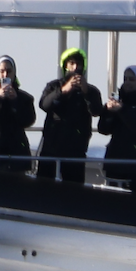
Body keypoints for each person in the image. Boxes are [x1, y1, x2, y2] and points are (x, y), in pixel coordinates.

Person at [37, 48, 104, 184]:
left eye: (78, 64)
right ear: (65, 66)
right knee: (44, 189)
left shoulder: (92, 90)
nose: (75, 67)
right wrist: (63, 91)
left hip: (76, 151)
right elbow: (44, 104)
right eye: (72, 63)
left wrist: (86, 93)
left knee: (74, 191)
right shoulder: (53, 86)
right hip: (51, 149)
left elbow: (96, 111)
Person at [98, 65, 136, 190]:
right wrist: (108, 112)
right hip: (116, 163)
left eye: (132, 79)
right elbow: (103, 129)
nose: (127, 83)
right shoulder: (120, 99)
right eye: (125, 79)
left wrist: (123, 110)